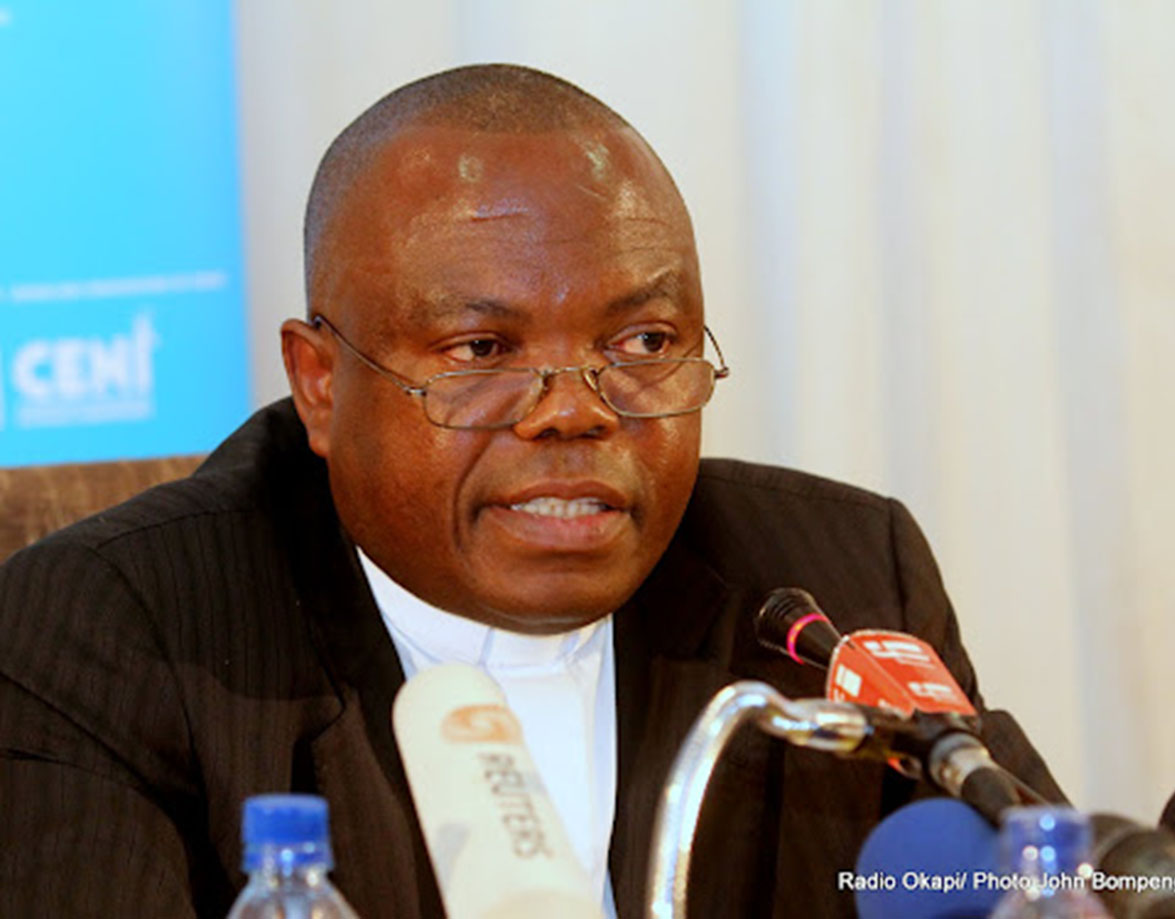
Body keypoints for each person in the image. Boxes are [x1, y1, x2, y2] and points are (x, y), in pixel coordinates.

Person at [0, 64, 1060, 917]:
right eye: (480, 349)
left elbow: (1062, 874)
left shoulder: (833, 578)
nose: (574, 412)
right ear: (320, 384)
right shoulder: (113, 632)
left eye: (644, 342)